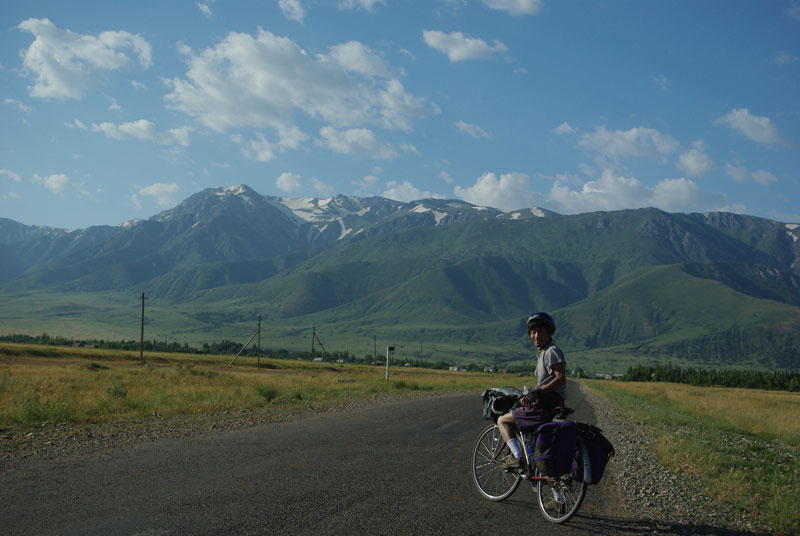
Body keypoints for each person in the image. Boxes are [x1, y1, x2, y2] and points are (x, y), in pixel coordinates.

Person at [497, 312, 567, 471]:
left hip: (544, 407)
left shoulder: (552, 351)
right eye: (533, 332)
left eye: (540, 331)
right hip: (547, 406)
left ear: (549, 333)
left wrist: (540, 392)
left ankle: (516, 457)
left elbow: (560, 378)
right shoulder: (544, 353)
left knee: (502, 420)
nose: (536, 336)